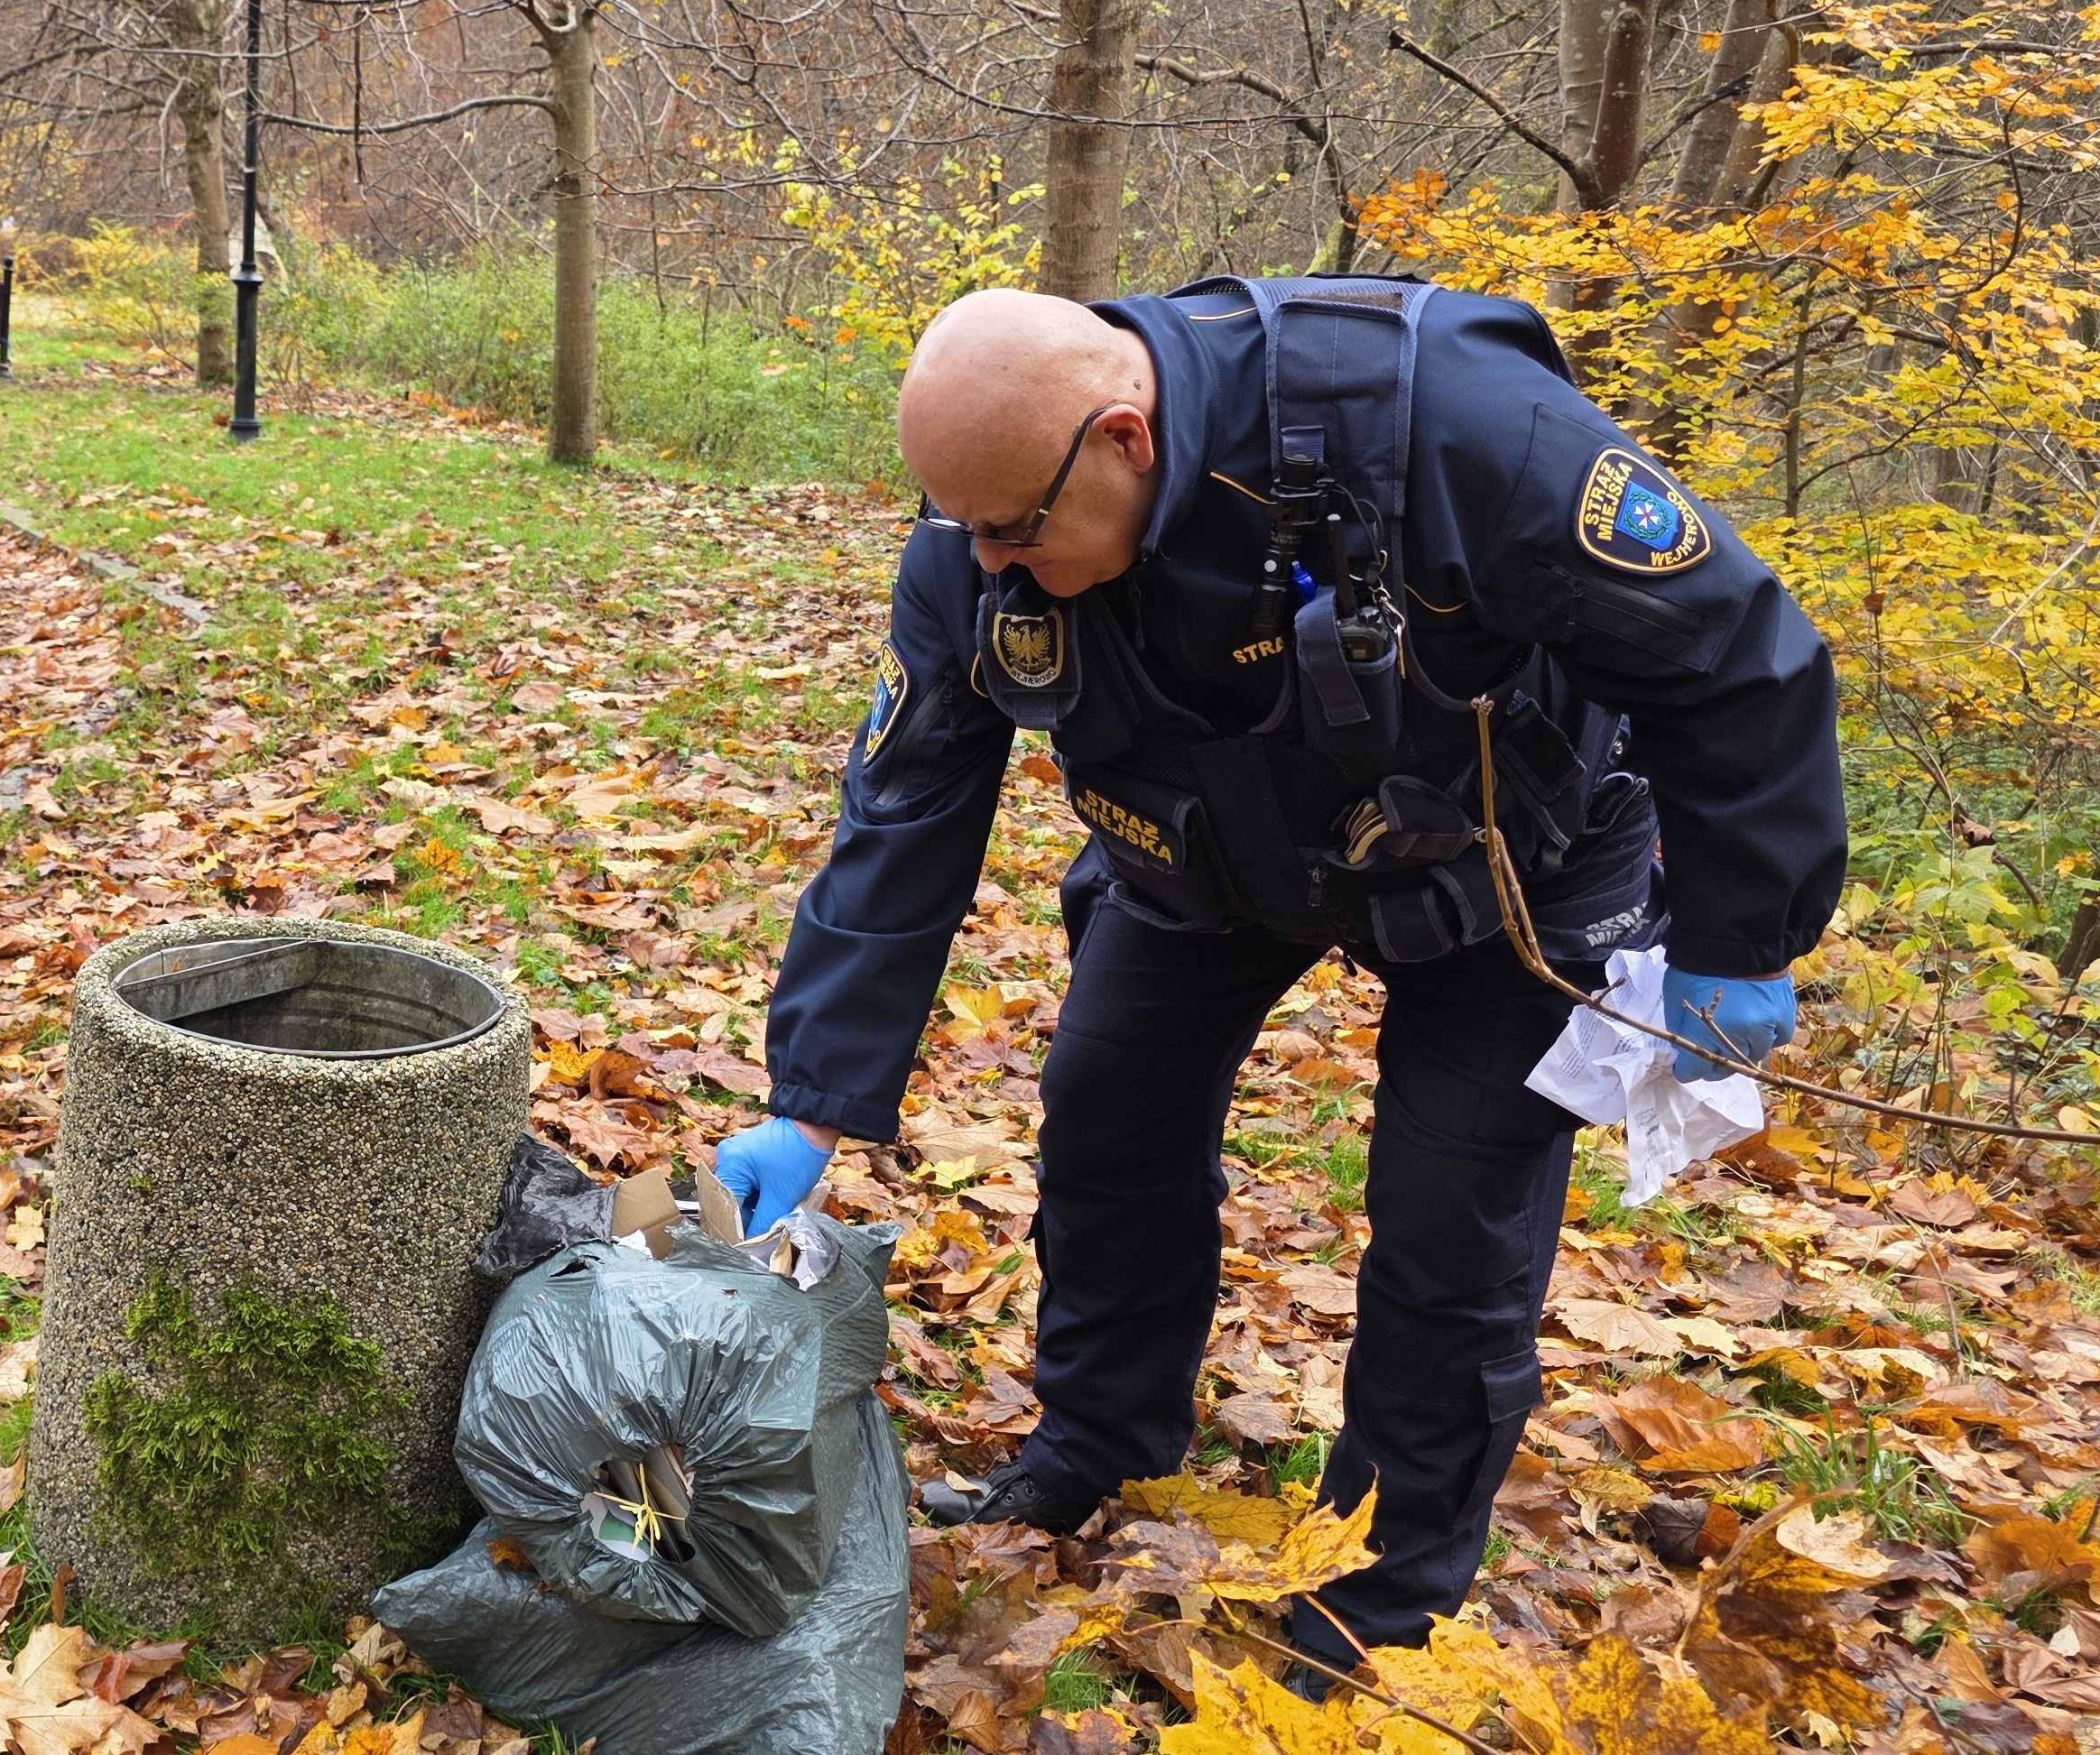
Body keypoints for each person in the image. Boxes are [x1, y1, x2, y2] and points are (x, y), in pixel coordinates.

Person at [713, 279, 1844, 1682]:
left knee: (1448, 1215)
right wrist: (810, 1102)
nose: (989, 567)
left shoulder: (1449, 427)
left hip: (1503, 858)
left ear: (1124, 438)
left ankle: (1375, 1593)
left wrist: (1743, 937)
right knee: (1107, 1105)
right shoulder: (980, 548)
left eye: (1015, 531)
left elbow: (1738, 649)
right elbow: (903, 812)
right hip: (1208, 852)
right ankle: (1099, 1446)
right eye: (965, 530)